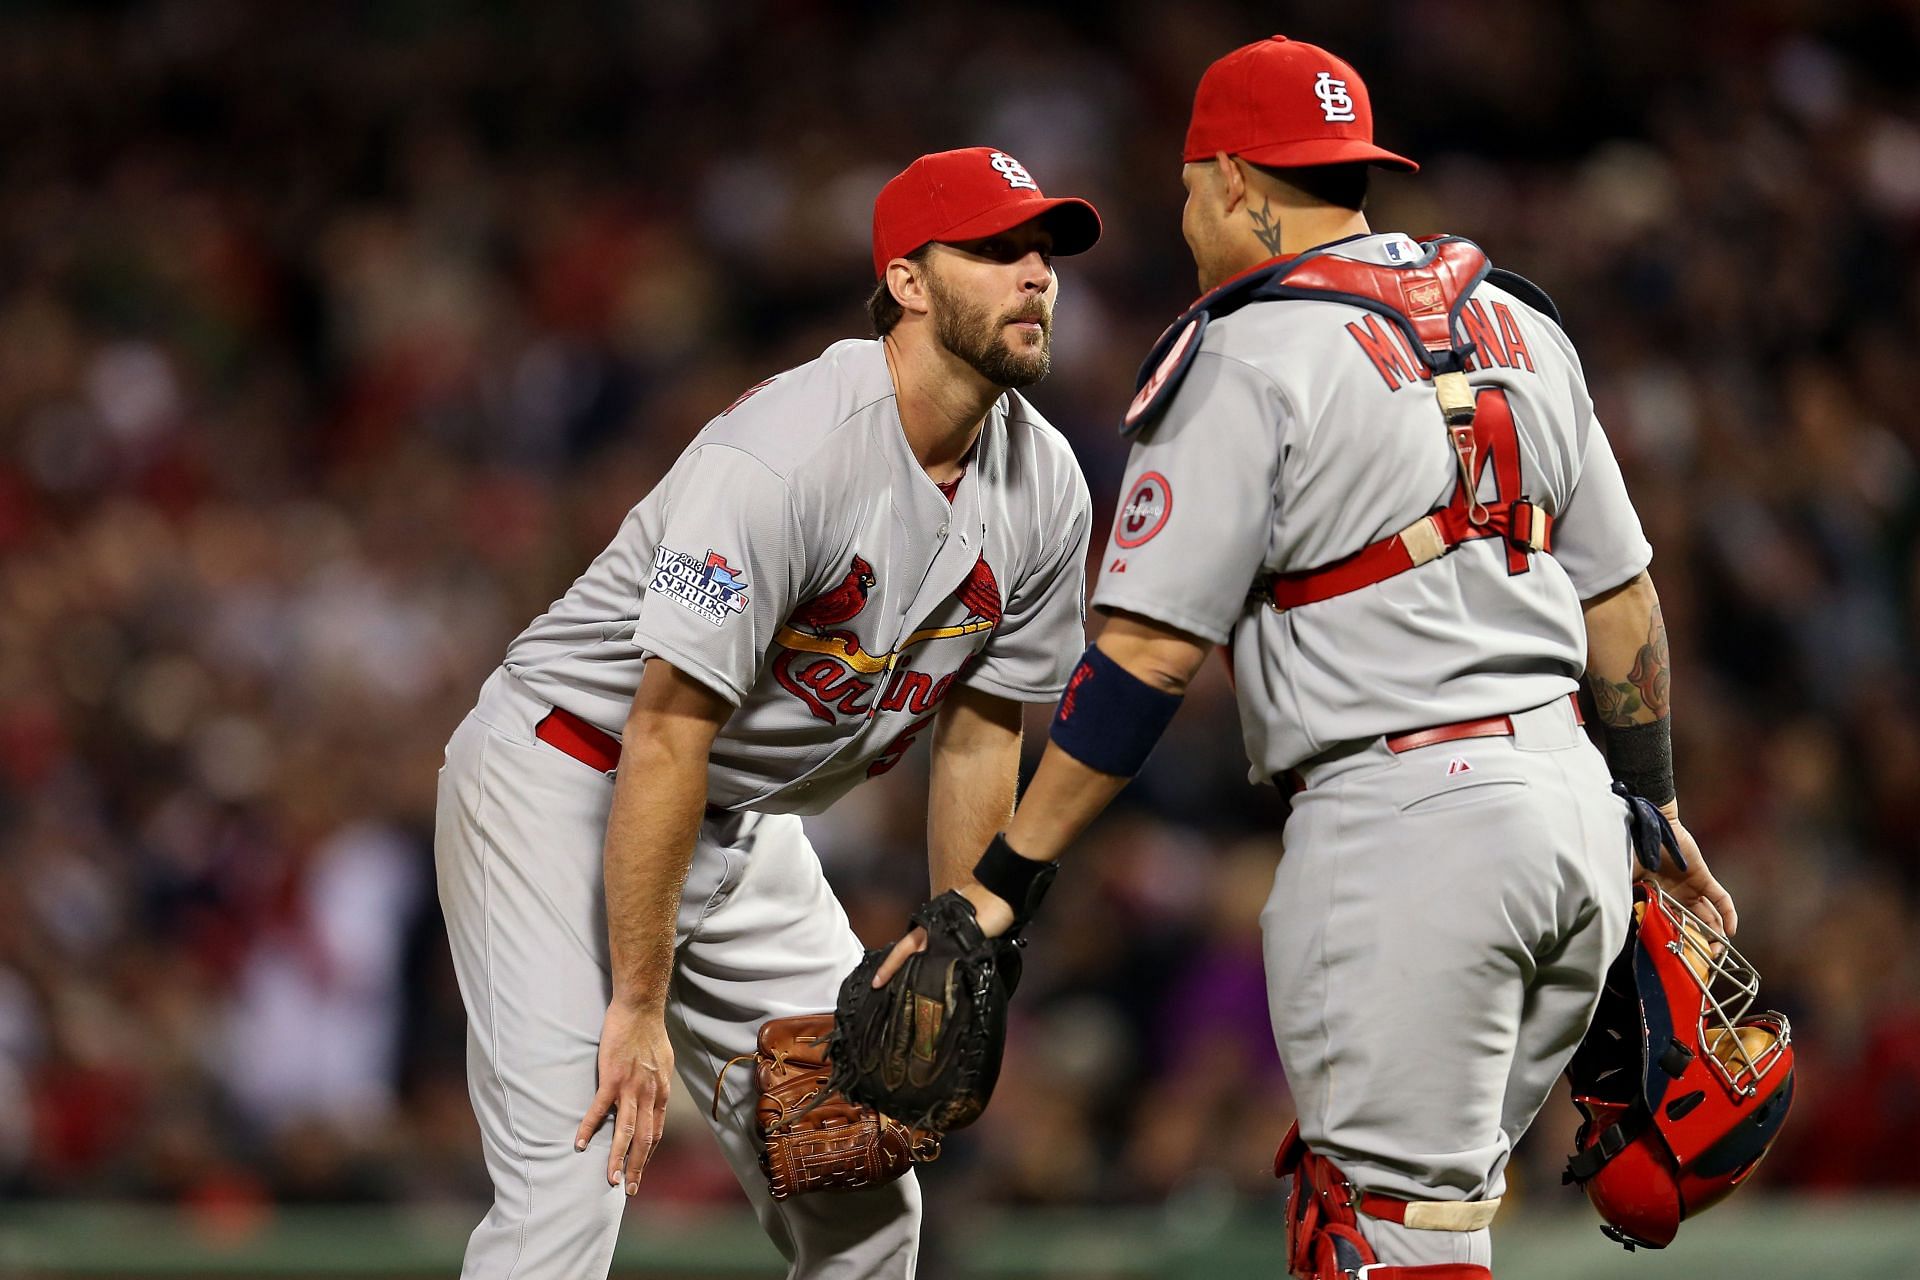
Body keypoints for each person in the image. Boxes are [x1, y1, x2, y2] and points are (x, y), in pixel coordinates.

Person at [878, 36, 1738, 1279]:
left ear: (1233, 179)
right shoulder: (1520, 322)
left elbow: (1141, 665)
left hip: (1409, 829)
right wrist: (1652, 804)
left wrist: (1004, 879)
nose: (1183, 220)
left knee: (1379, 1245)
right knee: (1420, 1223)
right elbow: (1622, 602)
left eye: (1185, 191)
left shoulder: (1243, 350)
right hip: (1577, 832)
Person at [434, 146, 1099, 1279]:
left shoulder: (1046, 487)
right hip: (564, 775)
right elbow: (665, 728)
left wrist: (956, 937)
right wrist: (637, 1002)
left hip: (732, 817)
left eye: (1044, 251)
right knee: (573, 1177)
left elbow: (983, 726)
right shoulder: (788, 453)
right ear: (909, 282)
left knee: (864, 1187)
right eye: (995, 249)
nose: (1035, 273)